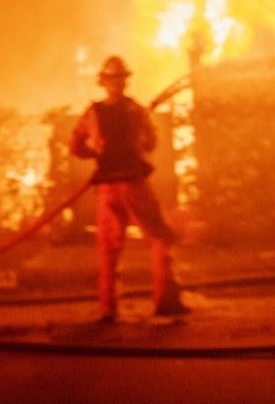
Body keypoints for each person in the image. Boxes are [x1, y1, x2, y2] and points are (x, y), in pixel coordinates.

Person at [69, 55, 189, 322]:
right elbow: (150, 144)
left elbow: (75, 146)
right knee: (160, 238)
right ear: (124, 82)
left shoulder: (93, 113)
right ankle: (165, 301)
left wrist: (97, 152)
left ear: (103, 82)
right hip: (134, 185)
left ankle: (108, 308)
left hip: (107, 189)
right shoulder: (136, 111)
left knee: (108, 249)